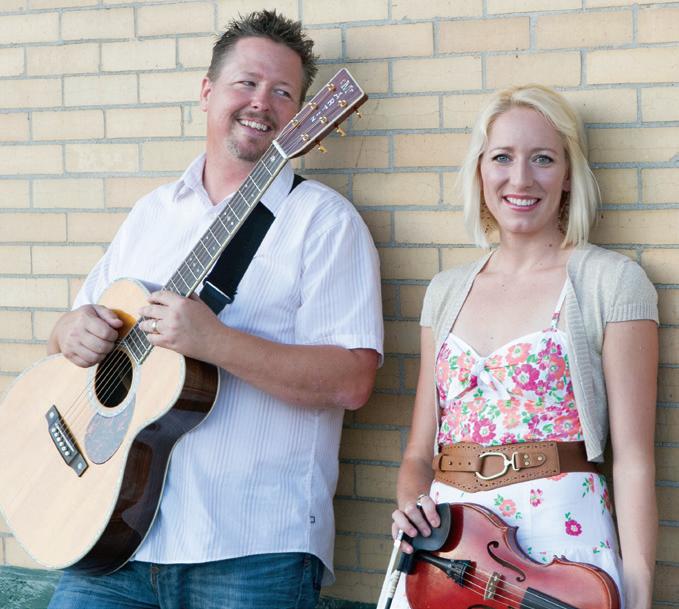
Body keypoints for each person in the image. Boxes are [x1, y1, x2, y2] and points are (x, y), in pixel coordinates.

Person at [45, 10, 383, 609]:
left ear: (303, 117)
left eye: (283, 93)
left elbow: (352, 381)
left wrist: (215, 342)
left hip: (251, 549)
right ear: (206, 92)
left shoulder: (325, 223)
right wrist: (70, 331)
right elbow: (72, 334)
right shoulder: (152, 213)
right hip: (108, 534)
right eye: (246, 83)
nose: (262, 103)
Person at [389, 85, 657, 609]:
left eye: (542, 159)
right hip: (450, 559)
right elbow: (419, 454)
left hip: (559, 550)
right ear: (479, 170)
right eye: (502, 158)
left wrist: (641, 594)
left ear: (568, 174)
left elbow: (633, 461)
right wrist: (415, 510)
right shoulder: (445, 291)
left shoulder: (611, 282)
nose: (520, 179)